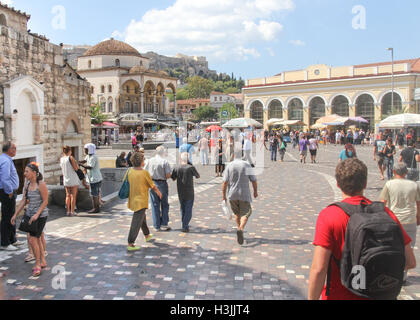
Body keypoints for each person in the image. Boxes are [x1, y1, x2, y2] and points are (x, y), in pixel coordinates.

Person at [308, 159, 416, 300]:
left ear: (338, 184)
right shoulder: (386, 214)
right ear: (365, 183)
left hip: (340, 295)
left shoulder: (330, 215)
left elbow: (319, 269)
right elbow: (410, 262)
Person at [380, 162, 420, 282]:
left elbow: (382, 202)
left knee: (393, 246)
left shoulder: (389, 184)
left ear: (394, 172)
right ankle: (403, 274)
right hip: (410, 220)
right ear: (406, 172)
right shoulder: (414, 185)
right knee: (409, 247)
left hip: (394, 220)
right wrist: (418, 216)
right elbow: (418, 203)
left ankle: (393, 272)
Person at [11, 163, 48, 277]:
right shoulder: (27, 185)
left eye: (27, 171)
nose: (24, 173)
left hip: (40, 216)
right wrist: (15, 214)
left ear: (34, 173)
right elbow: (23, 201)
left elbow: (45, 201)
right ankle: (42, 260)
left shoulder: (40, 184)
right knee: (35, 238)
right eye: (25, 171)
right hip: (29, 214)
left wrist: (37, 214)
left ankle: (37, 264)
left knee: (33, 239)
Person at [222, 144, 258, 245]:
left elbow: (224, 182)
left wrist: (223, 196)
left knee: (237, 213)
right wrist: (255, 191)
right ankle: (241, 228)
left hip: (232, 194)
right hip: (244, 193)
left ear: (233, 155)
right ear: (243, 155)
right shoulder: (247, 165)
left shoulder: (229, 165)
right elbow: (254, 180)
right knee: (246, 212)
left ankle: (239, 228)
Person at [126, 152, 162, 252]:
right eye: (143, 160)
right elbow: (152, 185)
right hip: (141, 200)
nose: (144, 161)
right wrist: (158, 192)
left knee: (141, 218)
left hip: (132, 198)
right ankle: (130, 242)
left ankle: (147, 235)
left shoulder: (129, 171)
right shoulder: (144, 173)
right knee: (136, 221)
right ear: (141, 162)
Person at [0, 142, 23, 251]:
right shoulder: (5, 160)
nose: (15, 150)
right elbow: (4, 178)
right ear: (8, 149)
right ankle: (5, 243)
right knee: (7, 216)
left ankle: (12, 239)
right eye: (14, 148)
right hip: (6, 192)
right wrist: (9, 191)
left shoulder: (6, 159)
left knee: (11, 215)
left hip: (7, 191)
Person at [144, 146, 172, 232]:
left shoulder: (149, 161)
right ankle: (164, 223)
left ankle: (156, 225)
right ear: (163, 152)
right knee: (164, 204)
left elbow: (145, 172)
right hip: (162, 183)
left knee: (154, 204)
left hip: (152, 183)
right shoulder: (165, 161)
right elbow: (168, 175)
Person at [171, 153, 200, 233]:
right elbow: (198, 176)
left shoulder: (177, 167)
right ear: (188, 159)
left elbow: (173, 178)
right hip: (189, 190)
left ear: (180, 159)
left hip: (180, 190)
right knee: (188, 209)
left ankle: (184, 224)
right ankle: (185, 225)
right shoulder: (190, 167)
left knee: (182, 208)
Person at [79, 144, 103, 214]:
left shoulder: (93, 157)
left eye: (86, 149)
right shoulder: (88, 156)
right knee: (95, 194)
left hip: (95, 179)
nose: (85, 151)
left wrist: (81, 165)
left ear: (90, 149)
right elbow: (84, 161)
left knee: (94, 195)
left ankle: (96, 208)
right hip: (93, 178)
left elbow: (90, 167)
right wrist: (78, 161)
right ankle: (96, 208)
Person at [60, 146, 81, 217]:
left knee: (67, 195)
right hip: (72, 178)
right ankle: (72, 211)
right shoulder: (70, 158)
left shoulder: (62, 159)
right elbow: (76, 168)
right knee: (73, 196)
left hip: (66, 178)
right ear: (70, 151)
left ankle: (67, 211)